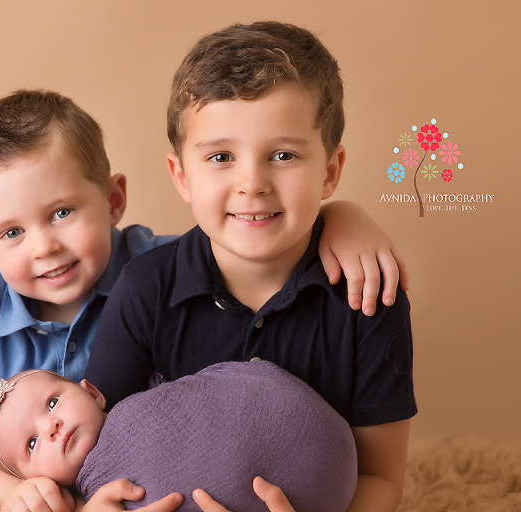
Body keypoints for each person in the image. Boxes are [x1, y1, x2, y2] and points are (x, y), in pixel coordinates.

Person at [0, 87, 406, 512]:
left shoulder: (158, 271)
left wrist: (341, 216)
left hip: (56, 490)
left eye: (61, 213)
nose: (44, 247)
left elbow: (240, 238)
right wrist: (5, 492)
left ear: (113, 200)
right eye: (11, 233)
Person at [83, 21, 417, 512]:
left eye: (283, 155)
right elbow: (94, 454)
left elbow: (381, 478)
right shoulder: (145, 289)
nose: (252, 183)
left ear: (330, 172)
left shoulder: (368, 298)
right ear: (182, 176)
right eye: (221, 156)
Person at [0, 364, 358, 512]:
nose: (50, 427)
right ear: (35, 483)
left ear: (94, 393)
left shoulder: (146, 405)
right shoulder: (93, 503)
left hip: (319, 442)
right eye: (32, 444)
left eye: (52, 402)